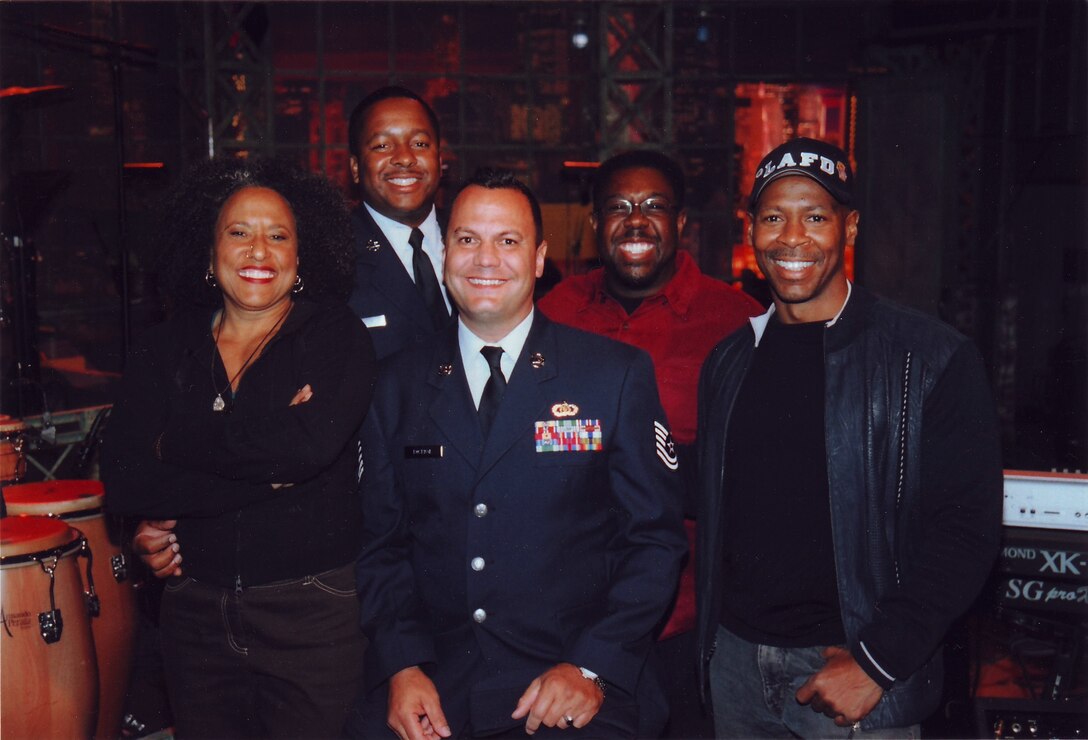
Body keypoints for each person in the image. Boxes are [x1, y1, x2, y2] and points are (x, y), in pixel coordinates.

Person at [349, 168, 687, 739]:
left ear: (539, 258)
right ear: (442, 252)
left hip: (572, 678)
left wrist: (591, 666)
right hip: (439, 681)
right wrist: (402, 666)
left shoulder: (612, 376)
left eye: (508, 241)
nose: (486, 260)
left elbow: (654, 542)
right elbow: (381, 547)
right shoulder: (395, 386)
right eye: (467, 240)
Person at [695, 138, 1002, 737]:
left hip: (852, 672)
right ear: (751, 228)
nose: (792, 238)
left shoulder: (928, 357)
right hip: (734, 667)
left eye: (815, 217)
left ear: (850, 227)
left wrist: (879, 660)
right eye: (773, 217)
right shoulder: (729, 360)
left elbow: (967, 531)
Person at [101, 158, 377, 738]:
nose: (260, 250)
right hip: (192, 610)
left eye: (278, 235)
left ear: (300, 259)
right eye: (239, 232)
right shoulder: (163, 347)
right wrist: (267, 469)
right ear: (208, 253)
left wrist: (172, 441)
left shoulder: (335, 334)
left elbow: (309, 448)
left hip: (311, 612)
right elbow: (127, 479)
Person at [538, 149, 761, 738]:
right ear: (594, 223)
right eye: (618, 208)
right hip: (567, 622)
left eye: (653, 207)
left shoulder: (738, 321)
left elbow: (758, 477)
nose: (635, 221)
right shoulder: (552, 314)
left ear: (680, 223)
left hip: (689, 626)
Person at [346, 85, 453, 360]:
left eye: (420, 144)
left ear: (439, 160)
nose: (405, 158)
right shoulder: (334, 256)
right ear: (356, 168)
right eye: (382, 146)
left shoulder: (472, 240)